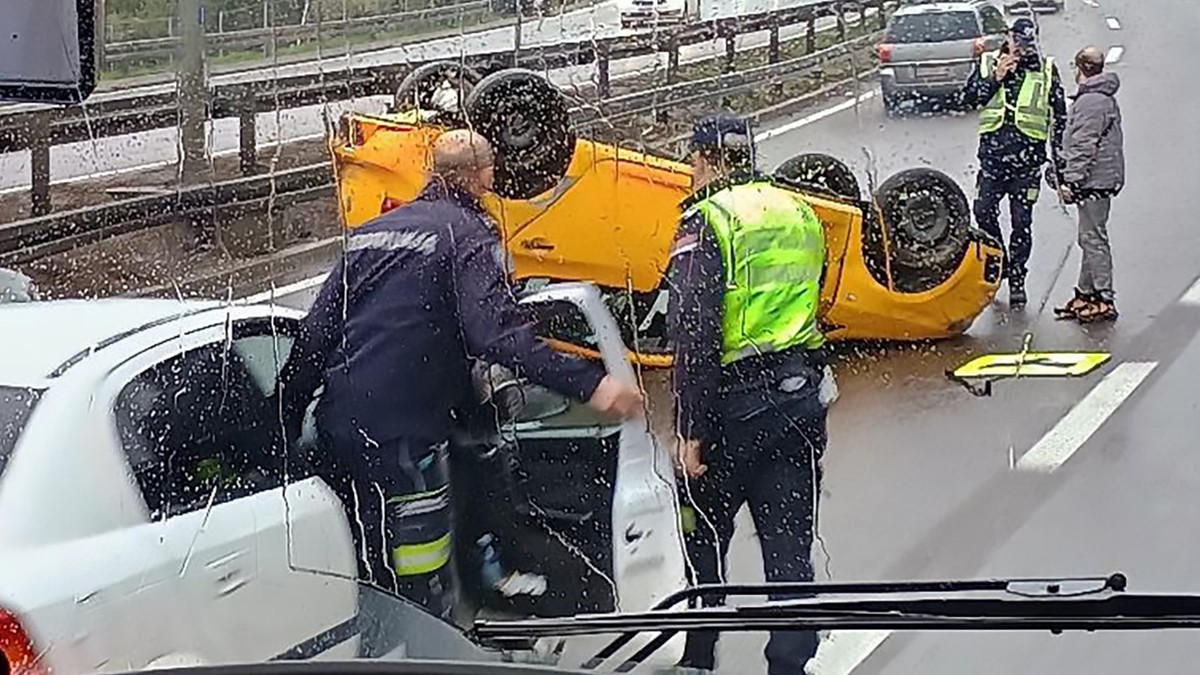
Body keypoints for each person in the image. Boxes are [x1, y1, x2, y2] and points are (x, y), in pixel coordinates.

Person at [277, 129, 643, 621]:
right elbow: (495, 334)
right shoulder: (469, 236)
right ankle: (430, 638)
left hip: (339, 425)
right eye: (491, 171)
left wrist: (279, 423)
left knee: (356, 559)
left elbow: (316, 336)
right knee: (415, 569)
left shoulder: (371, 233)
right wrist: (591, 384)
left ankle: (383, 627)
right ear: (481, 177)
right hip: (405, 436)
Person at [667, 113, 835, 675]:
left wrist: (690, 430)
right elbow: (818, 301)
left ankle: (698, 654)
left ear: (708, 159)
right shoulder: (798, 211)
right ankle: (789, 663)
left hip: (733, 407)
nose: (689, 172)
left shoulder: (707, 219)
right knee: (788, 549)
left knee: (703, 539)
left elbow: (693, 330)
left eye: (691, 160)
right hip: (799, 398)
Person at [959, 17, 1067, 309]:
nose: (1023, 49)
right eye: (1019, 42)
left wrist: (1058, 163)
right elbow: (969, 100)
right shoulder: (987, 63)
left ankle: (1017, 277)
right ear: (1009, 37)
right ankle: (1001, 261)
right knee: (983, 212)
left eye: (1028, 44)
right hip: (993, 160)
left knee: (1022, 222)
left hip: (1027, 162)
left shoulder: (1045, 69)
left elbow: (1060, 118)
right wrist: (995, 77)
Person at [1053, 46, 1124, 323]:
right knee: (1089, 236)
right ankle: (1086, 293)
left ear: (1079, 67)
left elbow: (1084, 145)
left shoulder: (1090, 102)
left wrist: (1071, 179)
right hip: (1101, 177)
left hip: (1095, 180)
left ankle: (1104, 298)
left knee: (1093, 238)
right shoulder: (1100, 98)